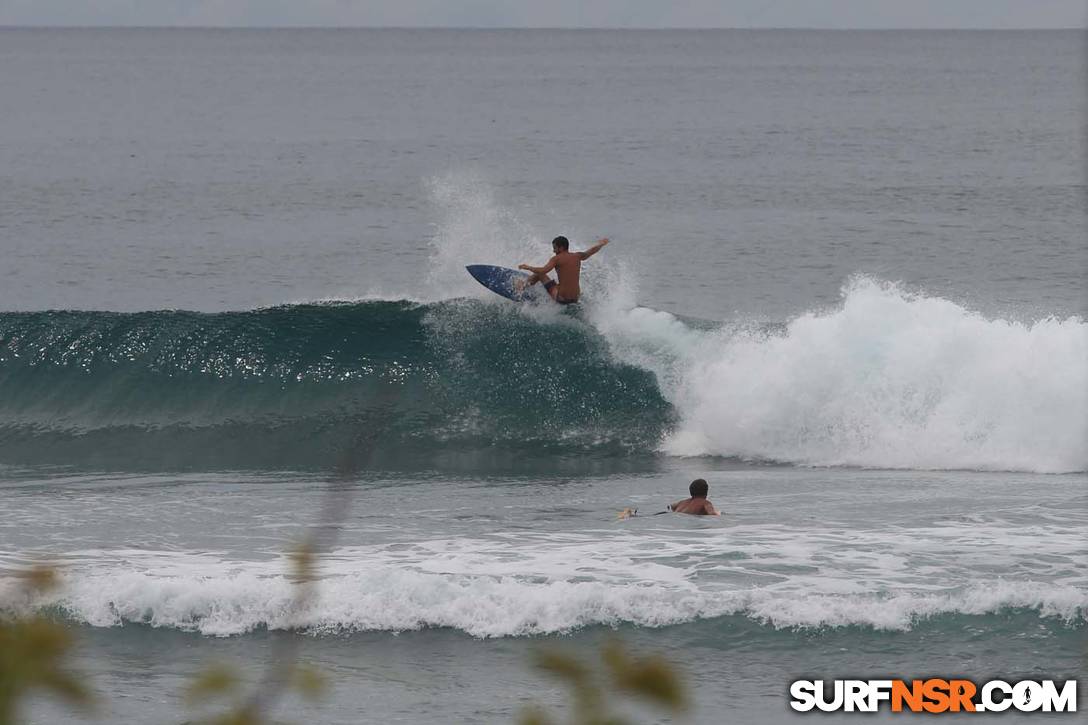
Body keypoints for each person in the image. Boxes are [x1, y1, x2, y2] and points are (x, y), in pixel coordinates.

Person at [517, 236, 609, 304]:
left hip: (562, 299)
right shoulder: (577, 256)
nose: (554, 251)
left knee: (539, 275)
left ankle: (522, 286)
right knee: (558, 284)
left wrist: (528, 267)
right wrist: (601, 244)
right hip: (575, 299)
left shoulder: (556, 259)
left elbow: (543, 271)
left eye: (555, 248)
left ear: (561, 248)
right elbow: (591, 251)